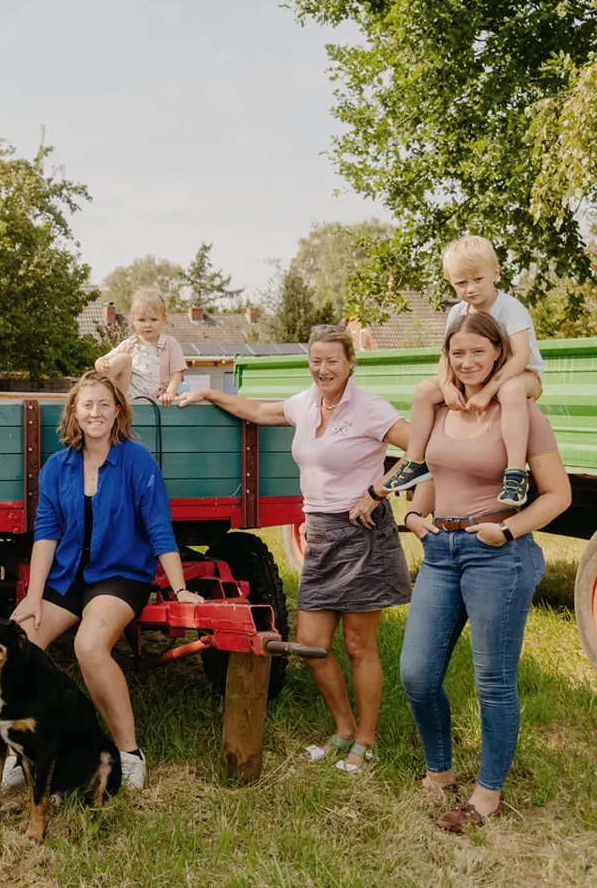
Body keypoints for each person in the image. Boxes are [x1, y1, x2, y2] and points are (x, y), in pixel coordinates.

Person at [179, 323, 412, 774]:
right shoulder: (305, 402)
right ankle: (342, 729)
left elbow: (422, 448)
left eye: (332, 361)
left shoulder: (370, 408)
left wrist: (379, 490)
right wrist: (211, 396)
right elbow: (260, 411)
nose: (323, 369)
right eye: (316, 360)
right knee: (309, 644)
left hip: (361, 531)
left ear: (350, 363)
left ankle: (367, 740)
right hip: (321, 532)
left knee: (360, 646)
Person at [0, 371, 202, 799]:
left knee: (88, 647)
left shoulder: (136, 460)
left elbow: (159, 528)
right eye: (87, 405)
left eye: (103, 405)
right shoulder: (57, 467)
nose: (95, 413)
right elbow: (46, 533)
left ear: (117, 411)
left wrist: (178, 588)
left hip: (120, 576)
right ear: (74, 413)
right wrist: (33, 597)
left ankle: (129, 753)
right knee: (20, 645)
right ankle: (22, 756)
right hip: (68, 575)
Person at [400, 311, 569, 833]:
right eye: (458, 353)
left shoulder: (519, 412)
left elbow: (559, 495)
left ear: (498, 353)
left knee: (493, 681)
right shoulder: (440, 406)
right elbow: (431, 467)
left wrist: (510, 530)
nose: (467, 361)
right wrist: (413, 516)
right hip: (440, 551)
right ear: (447, 356)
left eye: (478, 352)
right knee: (417, 674)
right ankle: (440, 771)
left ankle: (487, 793)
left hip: (497, 552)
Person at [384, 236, 545, 507]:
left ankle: (515, 472)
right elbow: (448, 354)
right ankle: (415, 460)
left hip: (520, 375)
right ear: (451, 282)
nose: (470, 289)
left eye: (478, 280)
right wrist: (447, 385)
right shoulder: (458, 311)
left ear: (495, 273)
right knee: (425, 390)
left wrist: (489, 391)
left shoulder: (509, 308)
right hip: (474, 377)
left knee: (512, 389)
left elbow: (520, 357)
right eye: (461, 283)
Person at [95, 287, 187, 406]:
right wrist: (100, 362)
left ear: (163, 319)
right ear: (134, 321)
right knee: (124, 358)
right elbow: (106, 359)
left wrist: (169, 393)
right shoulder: (130, 344)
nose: (148, 325)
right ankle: (101, 389)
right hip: (128, 397)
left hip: (157, 398)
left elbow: (176, 374)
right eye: (142, 320)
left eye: (154, 319)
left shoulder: (170, 344)